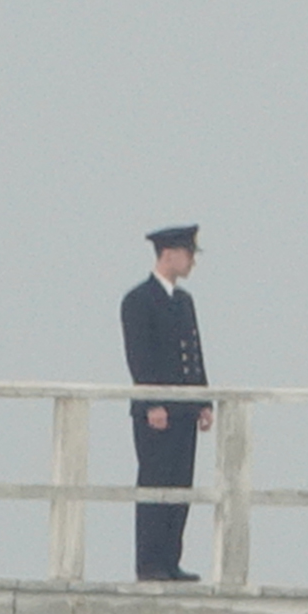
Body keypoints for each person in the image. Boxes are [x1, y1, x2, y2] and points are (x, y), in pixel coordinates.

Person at [121, 224, 213, 582]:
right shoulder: (139, 300)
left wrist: (204, 401)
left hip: (185, 410)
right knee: (155, 484)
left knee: (180, 486)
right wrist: (152, 403)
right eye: (188, 254)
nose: (192, 261)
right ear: (169, 253)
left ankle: (171, 560)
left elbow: (194, 356)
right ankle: (150, 563)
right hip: (157, 412)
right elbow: (140, 357)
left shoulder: (184, 301)